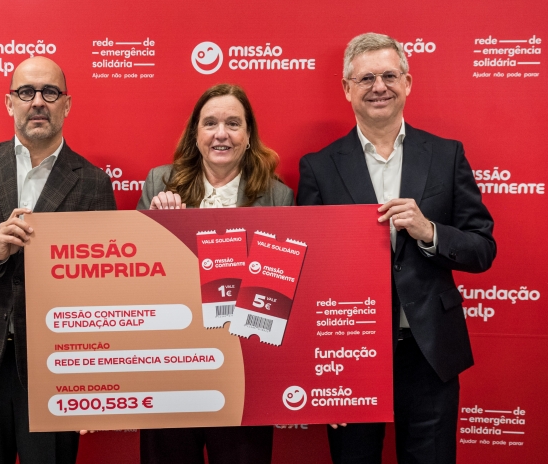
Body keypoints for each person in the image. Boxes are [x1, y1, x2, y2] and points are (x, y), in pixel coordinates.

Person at [297, 33, 496, 464]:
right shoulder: (318, 166)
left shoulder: (446, 155)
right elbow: (306, 273)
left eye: (389, 75)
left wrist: (429, 232)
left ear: (407, 82)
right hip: (349, 354)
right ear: (347, 88)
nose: (379, 87)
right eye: (366, 78)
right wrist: (321, 372)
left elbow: (482, 248)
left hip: (429, 354)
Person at [0, 56, 116, 464]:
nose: (38, 102)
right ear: (9, 103)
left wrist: (94, 381)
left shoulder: (94, 183)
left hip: (56, 370)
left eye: (50, 92)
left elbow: (103, 292)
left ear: (67, 104)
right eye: (26, 92)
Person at [137, 83, 293, 464]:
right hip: (173, 370)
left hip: (245, 375)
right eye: (210, 123)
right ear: (195, 134)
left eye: (233, 124)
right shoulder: (159, 183)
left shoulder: (278, 196)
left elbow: (282, 294)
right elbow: (137, 279)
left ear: (248, 135)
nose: (221, 134)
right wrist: (161, 230)